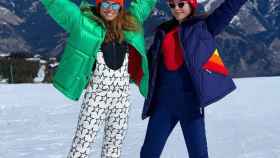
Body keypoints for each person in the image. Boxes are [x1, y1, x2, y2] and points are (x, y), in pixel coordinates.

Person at [40, 0, 156, 157]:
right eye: (105, 4)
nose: (110, 9)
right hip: (96, 98)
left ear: (120, 7)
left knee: (113, 147)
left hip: (121, 100)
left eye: (115, 5)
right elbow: (61, 7)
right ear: (99, 5)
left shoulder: (131, 24)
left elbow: (144, 4)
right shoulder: (84, 23)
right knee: (82, 145)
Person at [140, 0, 248, 157]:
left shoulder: (203, 27)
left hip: (190, 105)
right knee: (148, 153)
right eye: (172, 5)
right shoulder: (162, 31)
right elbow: (150, 62)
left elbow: (227, 9)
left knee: (199, 154)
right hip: (163, 105)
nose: (177, 8)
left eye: (181, 4)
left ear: (191, 5)